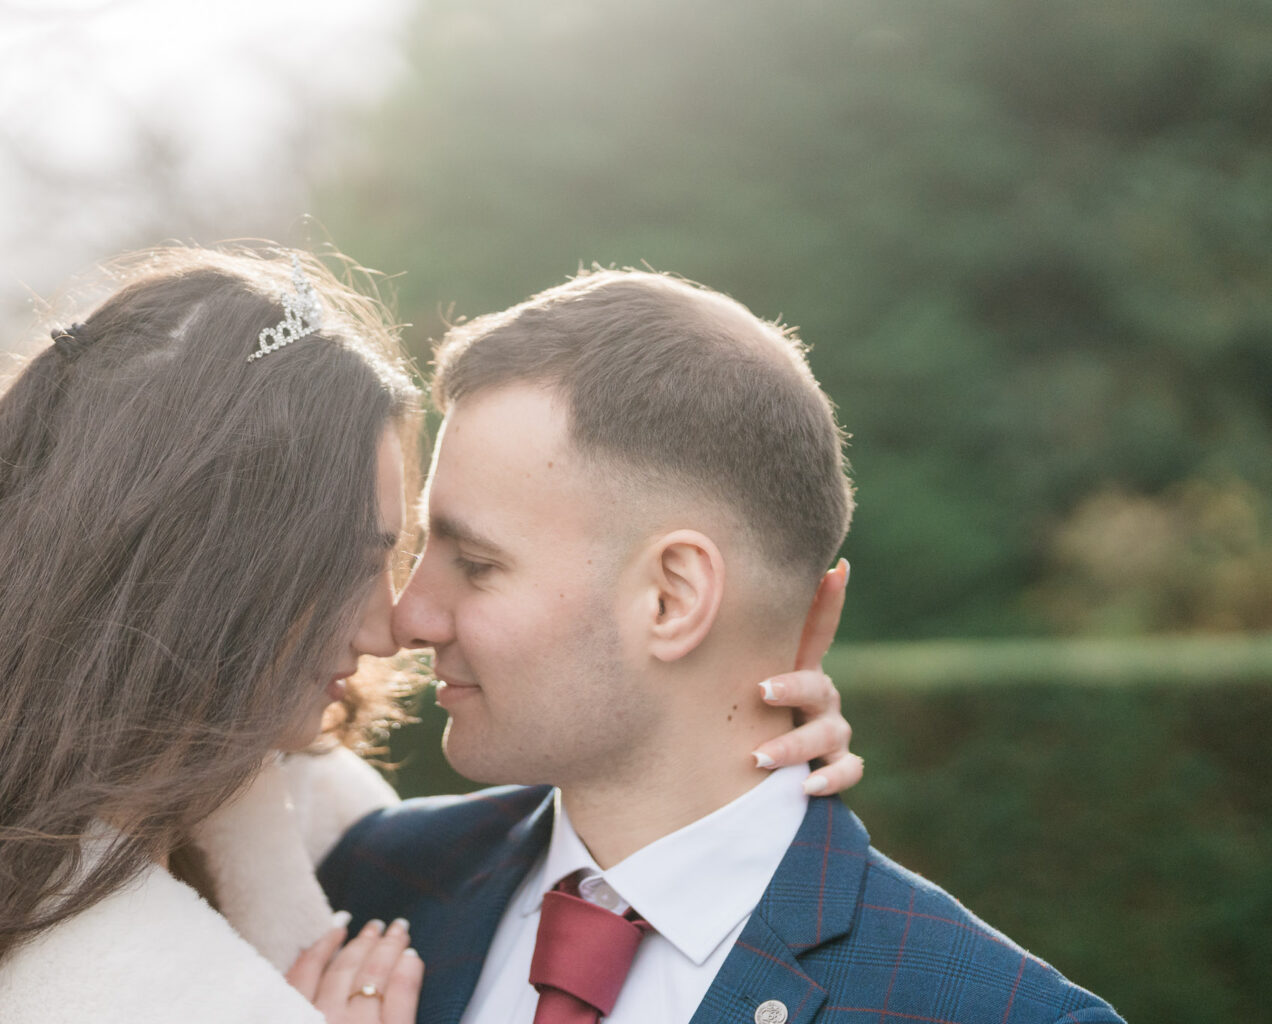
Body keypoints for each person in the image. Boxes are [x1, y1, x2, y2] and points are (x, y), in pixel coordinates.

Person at [0, 248, 858, 1024]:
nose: (393, 622)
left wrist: (735, 764)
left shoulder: (226, 800)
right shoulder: (71, 965)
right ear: (213, 572)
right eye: (361, 560)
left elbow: (447, 837)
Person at [317, 270, 1127, 1024]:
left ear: (673, 598)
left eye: (478, 564)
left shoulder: (995, 1011)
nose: (406, 616)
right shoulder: (376, 879)